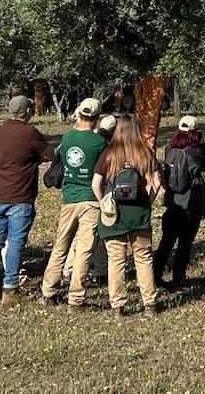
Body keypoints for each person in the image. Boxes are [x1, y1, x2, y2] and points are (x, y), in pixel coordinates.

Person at [91, 113, 162, 316]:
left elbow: (96, 183)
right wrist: (147, 202)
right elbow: (156, 182)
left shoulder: (109, 153)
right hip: (139, 214)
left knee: (116, 260)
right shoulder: (145, 153)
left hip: (114, 216)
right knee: (143, 257)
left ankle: (118, 305)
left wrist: (104, 202)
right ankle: (150, 303)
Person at [0, 95, 50, 304]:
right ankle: (10, 289)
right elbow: (49, 154)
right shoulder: (30, 132)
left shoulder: (0, 131)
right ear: (27, 111)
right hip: (20, 195)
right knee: (15, 243)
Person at [41, 98, 106, 311]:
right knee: (84, 250)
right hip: (90, 199)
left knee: (61, 245)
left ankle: (48, 290)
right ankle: (76, 298)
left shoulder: (67, 137)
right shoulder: (99, 143)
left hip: (69, 198)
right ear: (97, 118)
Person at [154, 114, 205, 289]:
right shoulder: (196, 151)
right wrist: (202, 144)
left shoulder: (169, 149)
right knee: (185, 243)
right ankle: (178, 278)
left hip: (172, 202)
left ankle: (155, 275)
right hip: (190, 204)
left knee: (166, 241)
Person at [86, 113, 118, 284]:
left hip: (85, 192)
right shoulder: (106, 147)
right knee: (98, 236)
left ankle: (75, 269)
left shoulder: (92, 142)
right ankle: (100, 271)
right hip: (101, 193)